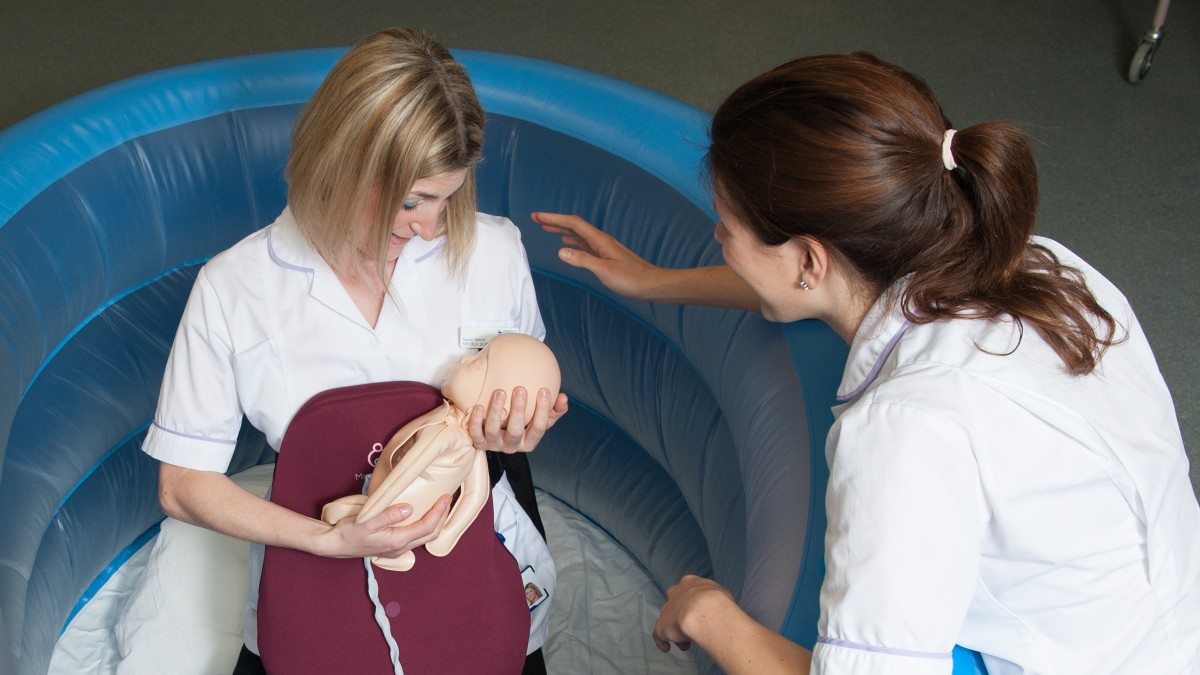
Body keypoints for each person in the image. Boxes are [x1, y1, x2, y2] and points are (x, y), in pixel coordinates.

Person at [537, 51, 1200, 674]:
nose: (716, 238)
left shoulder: (906, 430)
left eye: (726, 228)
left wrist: (711, 613)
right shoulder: (1039, 263)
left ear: (809, 258)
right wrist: (654, 281)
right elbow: (806, 286)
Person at [141, 27, 568, 675]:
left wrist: (517, 426)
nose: (430, 227)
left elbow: (516, 402)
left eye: (448, 198)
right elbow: (181, 485)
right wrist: (330, 539)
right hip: (318, 539)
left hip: (468, 530)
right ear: (340, 165)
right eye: (410, 201)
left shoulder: (493, 251)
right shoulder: (236, 287)